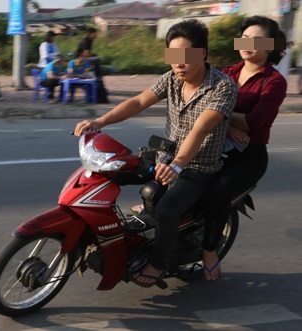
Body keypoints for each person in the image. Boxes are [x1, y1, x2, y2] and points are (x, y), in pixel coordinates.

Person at [74, 19, 237, 288]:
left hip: (197, 166)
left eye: (187, 56)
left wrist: (178, 165)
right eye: (173, 56)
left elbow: (201, 128)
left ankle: (158, 262)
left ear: (203, 53)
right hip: (163, 156)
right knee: (107, 170)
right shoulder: (172, 79)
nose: (179, 63)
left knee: (167, 208)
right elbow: (138, 101)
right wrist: (99, 122)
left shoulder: (222, 86)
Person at [201, 16, 287, 281]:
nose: (248, 44)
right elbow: (202, 105)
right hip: (217, 142)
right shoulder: (227, 72)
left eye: (257, 39)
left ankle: (209, 250)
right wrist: (227, 124)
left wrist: (220, 113)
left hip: (248, 155)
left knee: (219, 190)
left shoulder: (274, 81)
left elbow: (254, 122)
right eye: (245, 37)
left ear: (270, 45)